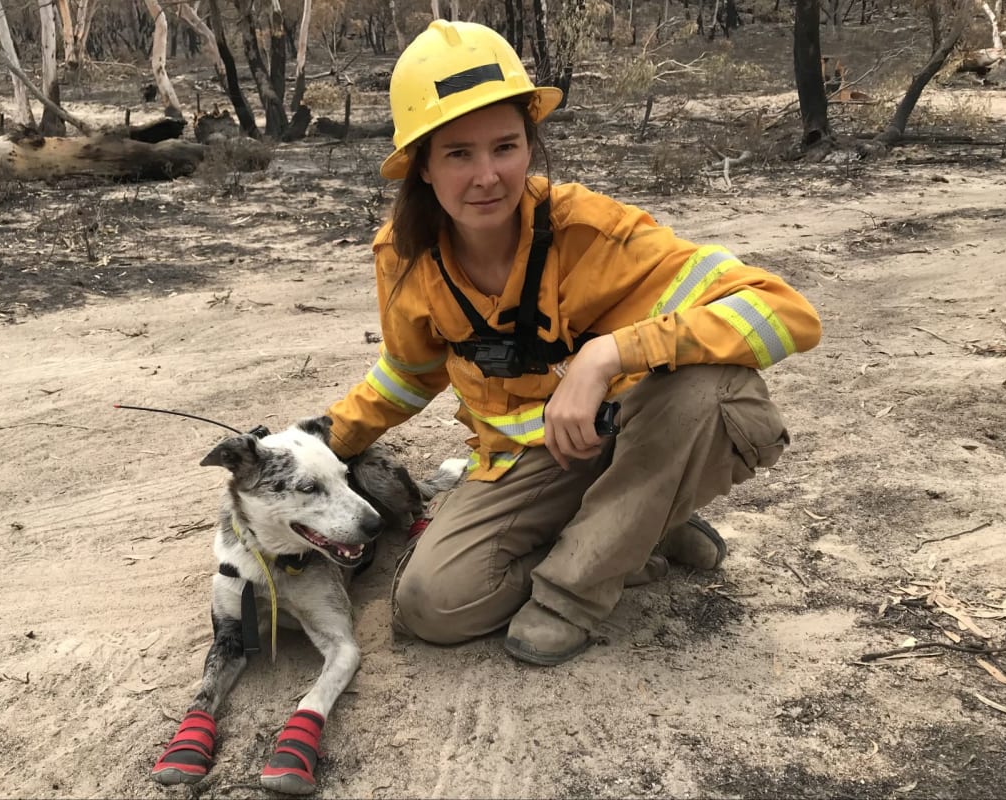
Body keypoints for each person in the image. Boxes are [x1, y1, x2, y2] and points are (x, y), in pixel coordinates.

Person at [321, 19, 822, 666]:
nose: (487, 176)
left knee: (713, 390)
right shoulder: (405, 257)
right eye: (458, 154)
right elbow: (408, 373)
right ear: (420, 166)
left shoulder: (590, 229)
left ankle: (573, 595)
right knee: (430, 606)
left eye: (505, 146)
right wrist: (320, 440)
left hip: (630, 433)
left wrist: (607, 356)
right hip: (521, 461)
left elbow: (787, 313)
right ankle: (637, 534)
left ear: (531, 144)